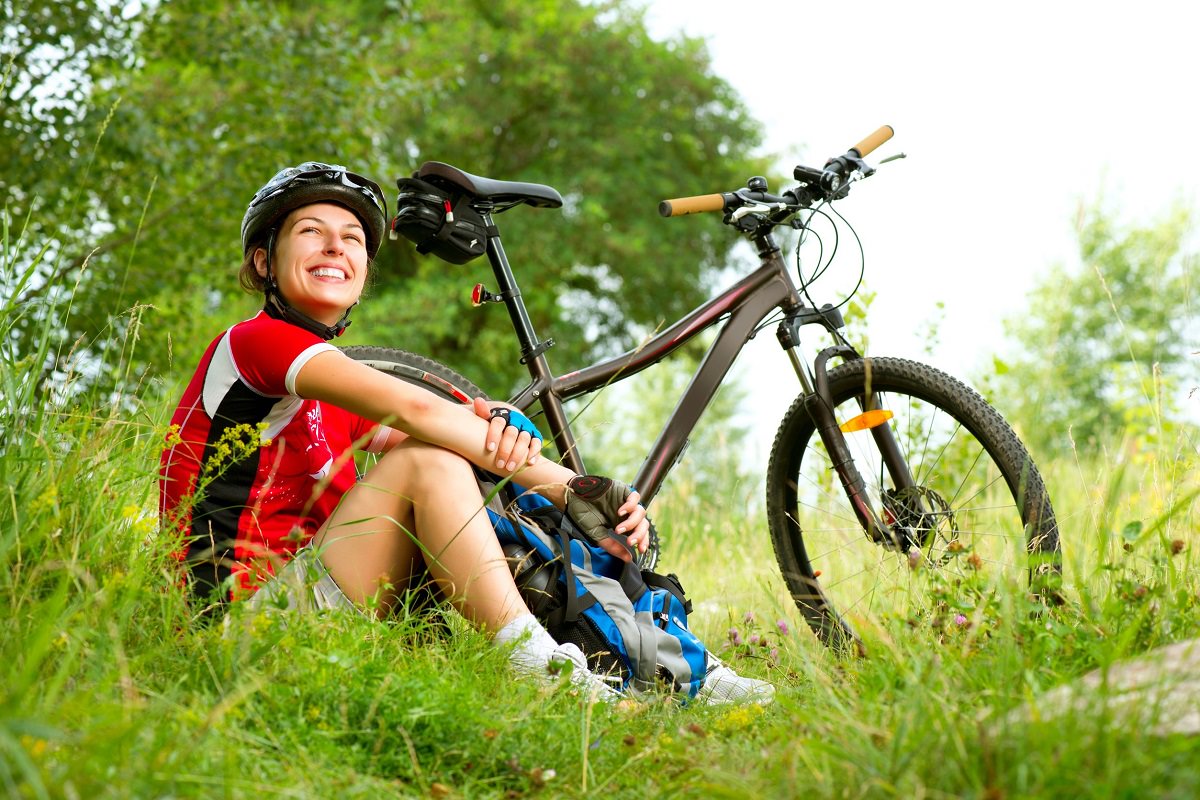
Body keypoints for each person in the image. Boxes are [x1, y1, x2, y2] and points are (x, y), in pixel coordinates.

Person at [159, 161, 773, 704]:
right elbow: (424, 422)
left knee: (507, 497)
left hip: (314, 609)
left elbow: (463, 453)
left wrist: (591, 495)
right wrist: (575, 487)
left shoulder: (328, 389)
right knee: (437, 463)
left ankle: (672, 662)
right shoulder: (255, 343)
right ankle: (541, 669)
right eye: (310, 232)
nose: (335, 248)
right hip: (236, 626)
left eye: (352, 240)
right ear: (264, 260)